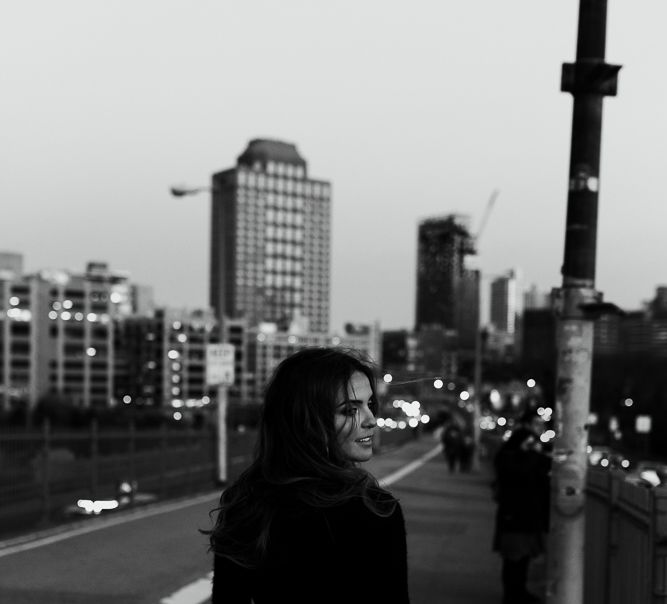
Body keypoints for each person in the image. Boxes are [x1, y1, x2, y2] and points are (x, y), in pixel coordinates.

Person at [206, 347, 410, 604]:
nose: (371, 419)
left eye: (369, 404)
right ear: (307, 420)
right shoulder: (373, 510)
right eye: (350, 410)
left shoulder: (245, 502)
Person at [492, 410, 550, 604]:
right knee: (515, 558)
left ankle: (517, 592)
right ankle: (513, 595)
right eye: (536, 422)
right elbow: (518, 470)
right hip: (517, 513)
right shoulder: (517, 450)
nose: (539, 427)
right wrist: (534, 455)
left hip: (521, 513)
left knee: (519, 558)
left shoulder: (521, 448)